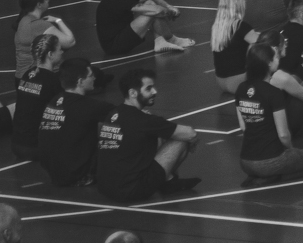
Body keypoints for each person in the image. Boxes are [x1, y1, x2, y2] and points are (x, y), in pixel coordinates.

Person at [93, 70, 199, 203]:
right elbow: (190, 133)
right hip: (131, 191)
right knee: (180, 141)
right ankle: (167, 182)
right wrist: (192, 141)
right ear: (133, 93)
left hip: (106, 188)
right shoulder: (144, 120)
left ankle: (168, 179)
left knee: (160, 134)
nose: (155, 91)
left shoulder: (114, 113)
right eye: (148, 88)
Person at [234, 44, 303, 179]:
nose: (278, 60)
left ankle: (266, 176)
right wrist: (291, 150)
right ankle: (274, 177)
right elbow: (283, 135)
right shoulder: (273, 93)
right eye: (276, 58)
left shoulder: (241, 88)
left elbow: (243, 127)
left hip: (245, 161)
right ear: (269, 63)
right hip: (270, 161)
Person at [36, 58, 106, 188]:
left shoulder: (55, 100)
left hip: (53, 172)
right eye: (91, 75)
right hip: (77, 175)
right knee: (113, 130)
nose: (94, 78)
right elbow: (123, 117)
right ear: (80, 82)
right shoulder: (89, 106)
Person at [95, 0, 191, 57]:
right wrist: (171, 12)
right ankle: (171, 39)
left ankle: (160, 41)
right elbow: (156, 11)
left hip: (122, 35)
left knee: (149, 3)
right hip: (114, 46)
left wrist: (168, 6)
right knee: (151, 9)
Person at [13, 32, 66, 160]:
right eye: (59, 49)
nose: (62, 52)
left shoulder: (28, 74)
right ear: (50, 54)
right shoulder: (52, 80)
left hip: (16, 144)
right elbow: (65, 111)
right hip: (35, 147)